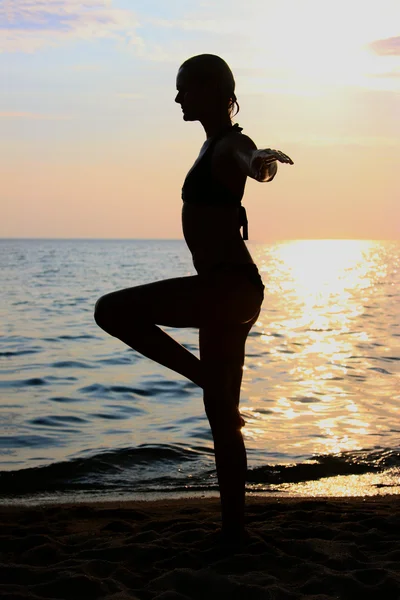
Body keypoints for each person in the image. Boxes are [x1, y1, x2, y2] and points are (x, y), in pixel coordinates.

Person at [94, 54, 293, 543]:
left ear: (212, 90)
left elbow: (253, 162)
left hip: (227, 287)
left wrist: (264, 161)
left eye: (184, 88)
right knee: (222, 413)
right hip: (231, 290)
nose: (178, 97)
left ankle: (206, 378)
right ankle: (235, 532)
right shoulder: (210, 145)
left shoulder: (231, 144)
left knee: (112, 310)